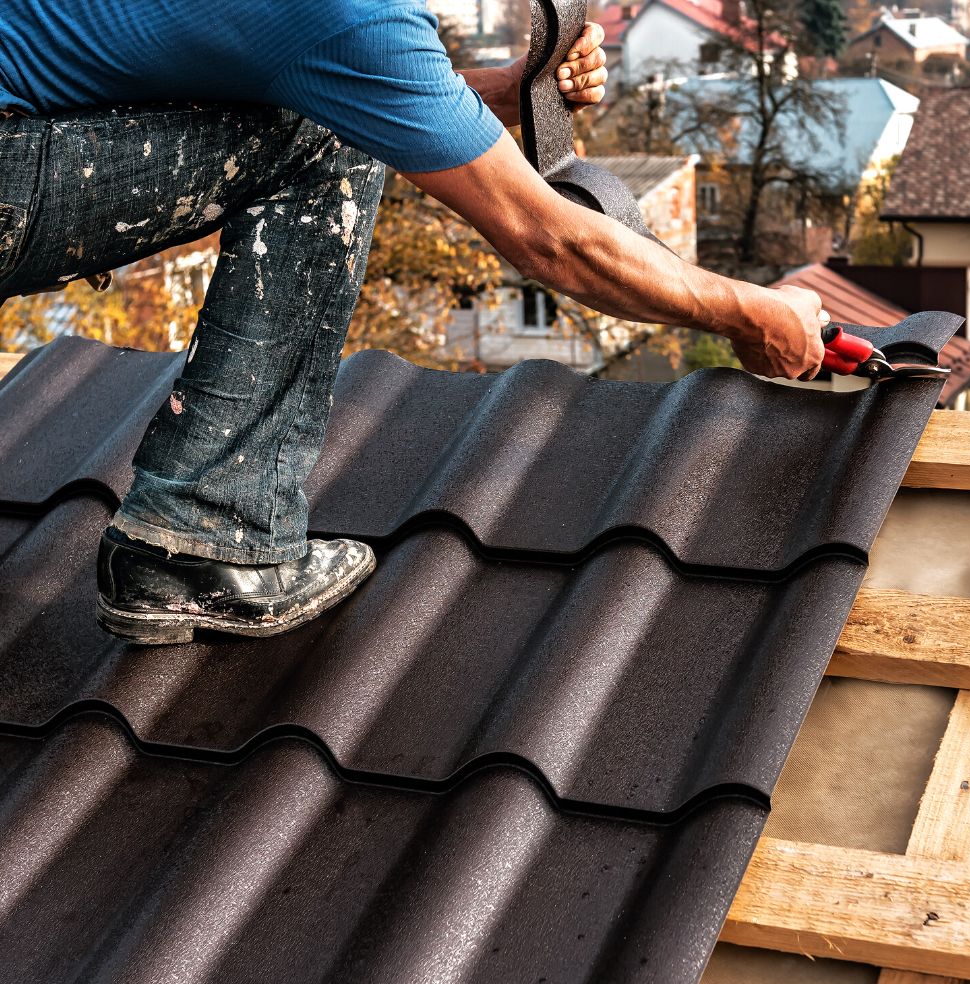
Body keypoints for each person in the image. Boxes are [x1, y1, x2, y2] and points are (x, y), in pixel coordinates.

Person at [0, 1, 825, 645]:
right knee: (328, 138)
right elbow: (550, 239)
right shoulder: (354, 18)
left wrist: (496, 93)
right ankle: (206, 532)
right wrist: (752, 310)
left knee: (332, 104)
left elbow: (236, 55)